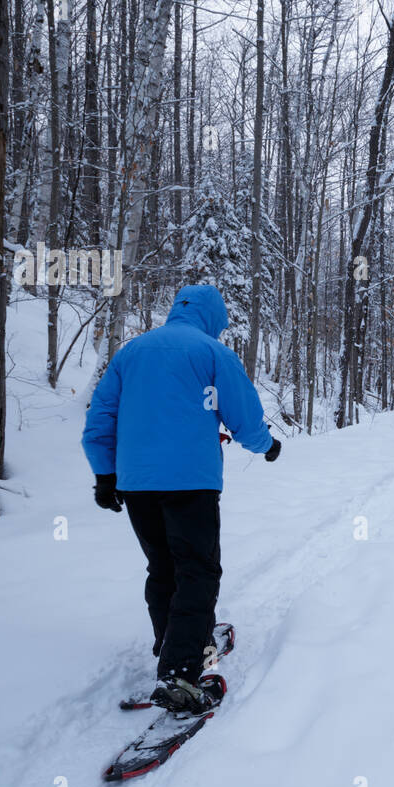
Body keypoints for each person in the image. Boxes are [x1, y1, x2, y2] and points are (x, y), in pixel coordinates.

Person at [82, 283, 280, 714]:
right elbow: (244, 418)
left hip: (136, 485)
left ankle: (171, 647)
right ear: (213, 318)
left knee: (163, 567)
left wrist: (104, 475)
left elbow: (100, 420)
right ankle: (180, 673)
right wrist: (266, 446)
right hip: (191, 481)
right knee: (197, 571)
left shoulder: (131, 352)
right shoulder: (212, 354)